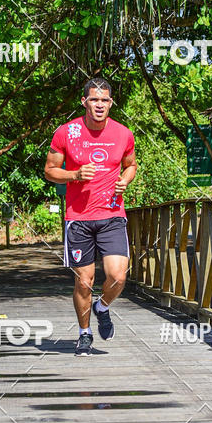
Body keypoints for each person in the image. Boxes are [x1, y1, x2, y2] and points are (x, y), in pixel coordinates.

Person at [44, 78, 137, 355]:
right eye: (94, 100)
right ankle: (84, 334)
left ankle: (103, 307)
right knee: (85, 281)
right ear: (84, 102)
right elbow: (50, 170)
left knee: (118, 276)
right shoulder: (66, 132)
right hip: (78, 218)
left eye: (105, 100)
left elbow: (131, 165)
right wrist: (73, 174)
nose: (100, 105)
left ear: (111, 103)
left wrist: (125, 179)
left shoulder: (123, 134)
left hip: (112, 215)